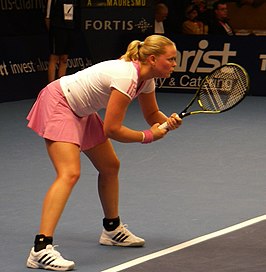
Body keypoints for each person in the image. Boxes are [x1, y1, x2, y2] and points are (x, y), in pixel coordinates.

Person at [25, 34, 182, 271]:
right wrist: (147, 136)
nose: (174, 65)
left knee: (110, 166)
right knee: (69, 173)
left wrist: (166, 121)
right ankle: (40, 249)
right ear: (152, 58)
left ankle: (112, 229)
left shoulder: (146, 78)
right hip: (59, 102)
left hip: (82, 110)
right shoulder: (126, 77)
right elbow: (112, 129)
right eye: (170, 60)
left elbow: (152, 114)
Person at [45, 0, 78, 82]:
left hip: (70, 29)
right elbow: (47, 17)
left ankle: (59, 86)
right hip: (57, 29)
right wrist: (52, 30)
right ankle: (51, 87)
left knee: (64, 58)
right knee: (54, 57)